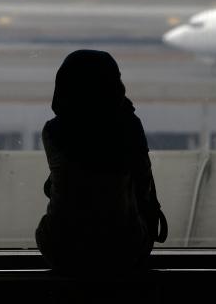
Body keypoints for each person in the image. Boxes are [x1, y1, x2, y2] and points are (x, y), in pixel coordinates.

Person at [35, 49, 167, 274]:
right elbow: (143, 186)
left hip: (62, 250)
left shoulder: (53, 131)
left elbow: (55, 185)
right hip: (123, 251)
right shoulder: (128, 127)